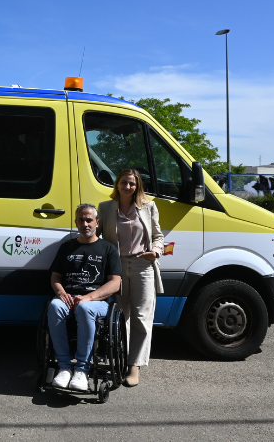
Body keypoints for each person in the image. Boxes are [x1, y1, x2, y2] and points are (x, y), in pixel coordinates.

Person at [97, 168, 164, 387]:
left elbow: (158, 236)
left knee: (141, 316)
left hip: (142, 264)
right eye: (124, 182)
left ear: (137, 186)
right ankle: (123, 359)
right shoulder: (106, 208)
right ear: (117, 184)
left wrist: (155, 251)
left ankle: (134, 366)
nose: (128, 187)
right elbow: (97, 237)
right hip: (116, 266)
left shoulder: (148, 206)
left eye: (132, 184)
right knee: (121, 316)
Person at [47, 203, 122, 392]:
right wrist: (62, 293)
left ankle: (81, 370)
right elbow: (55, 277)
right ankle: (64, 367)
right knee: (55, 306)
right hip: (69, 296)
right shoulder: (67, 247)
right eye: (81, 220)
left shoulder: (108, 249)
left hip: (97, 302)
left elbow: (115, 283)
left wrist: (88, 297)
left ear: (97, 222)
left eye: (89, 220)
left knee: (83, 308)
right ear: (75, 222)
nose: (85, 223)